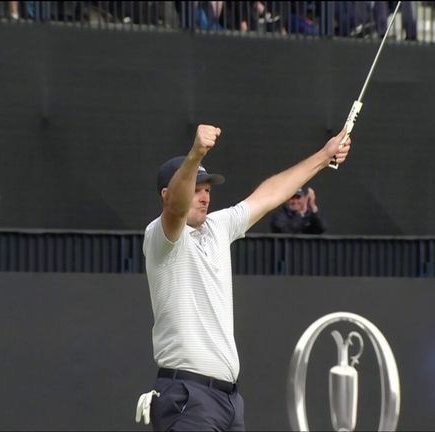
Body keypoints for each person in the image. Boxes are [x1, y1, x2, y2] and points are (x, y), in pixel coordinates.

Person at [139, 124, 350, 431]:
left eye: (207, 189)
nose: (204, 197)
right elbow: (176, 208)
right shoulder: (160, 237)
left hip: (228, 401)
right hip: (187, 396)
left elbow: (270, 194)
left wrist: (324, 155)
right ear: (166, 193)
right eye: (196, 189)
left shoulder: (218, 227)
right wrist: (196, 153)